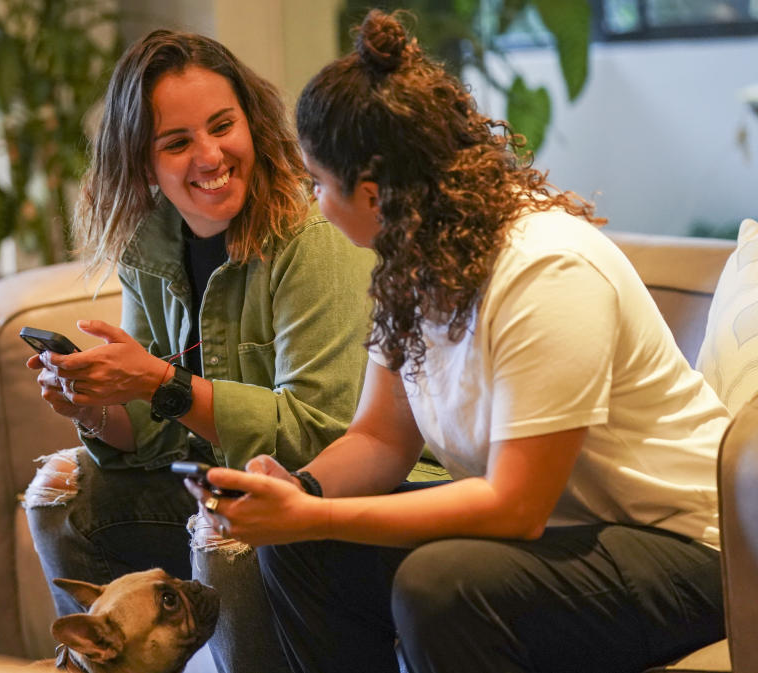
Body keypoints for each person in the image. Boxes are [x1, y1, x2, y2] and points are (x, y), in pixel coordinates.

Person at [187, 10, 729, 673]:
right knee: (302, 548)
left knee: (439, 584)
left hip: (694, 549)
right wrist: (298, 492)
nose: (314, 201)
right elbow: (383, 439)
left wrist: (315, 515)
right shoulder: (409, 263)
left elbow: (515, 505)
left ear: (373, 193)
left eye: (319, 183)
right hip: (567, 538)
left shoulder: (547, 269)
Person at [21, 29, 381, 673]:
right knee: (65, 498)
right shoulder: (150, 243)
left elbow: (322, 437)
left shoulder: (313, 236)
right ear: (142, 162)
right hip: (219, 482)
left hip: (337, 494)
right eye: (178, 142)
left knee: (226, 525)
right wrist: (95, 405)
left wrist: (161, 382)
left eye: (223, 126)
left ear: (253, 122)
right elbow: (159, 436)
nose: (211, 155)